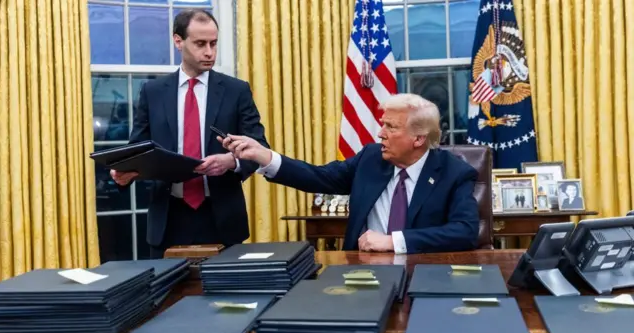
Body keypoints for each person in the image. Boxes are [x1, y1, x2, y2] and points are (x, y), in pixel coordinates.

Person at [219, 94, 479, 254]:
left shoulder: (454, 172)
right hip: (361, 270)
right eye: (382, 125)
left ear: (419, 139)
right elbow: (319, 177)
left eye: (390, 127)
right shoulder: (371, 159)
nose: (380, 134)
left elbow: (464, 231)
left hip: (423, 272)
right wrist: (265, 156)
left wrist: (393, 241)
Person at [110, 9, 269, 258]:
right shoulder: (153, 91)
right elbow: (137, 149)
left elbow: (259, 147)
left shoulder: (236, 90)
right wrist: (125, 172)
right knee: (167, 297)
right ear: (178, 41)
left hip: (222, 220)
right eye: (200, 44)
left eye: (214, 44)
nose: (209, 52)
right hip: (168, 218)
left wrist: (232, 161)